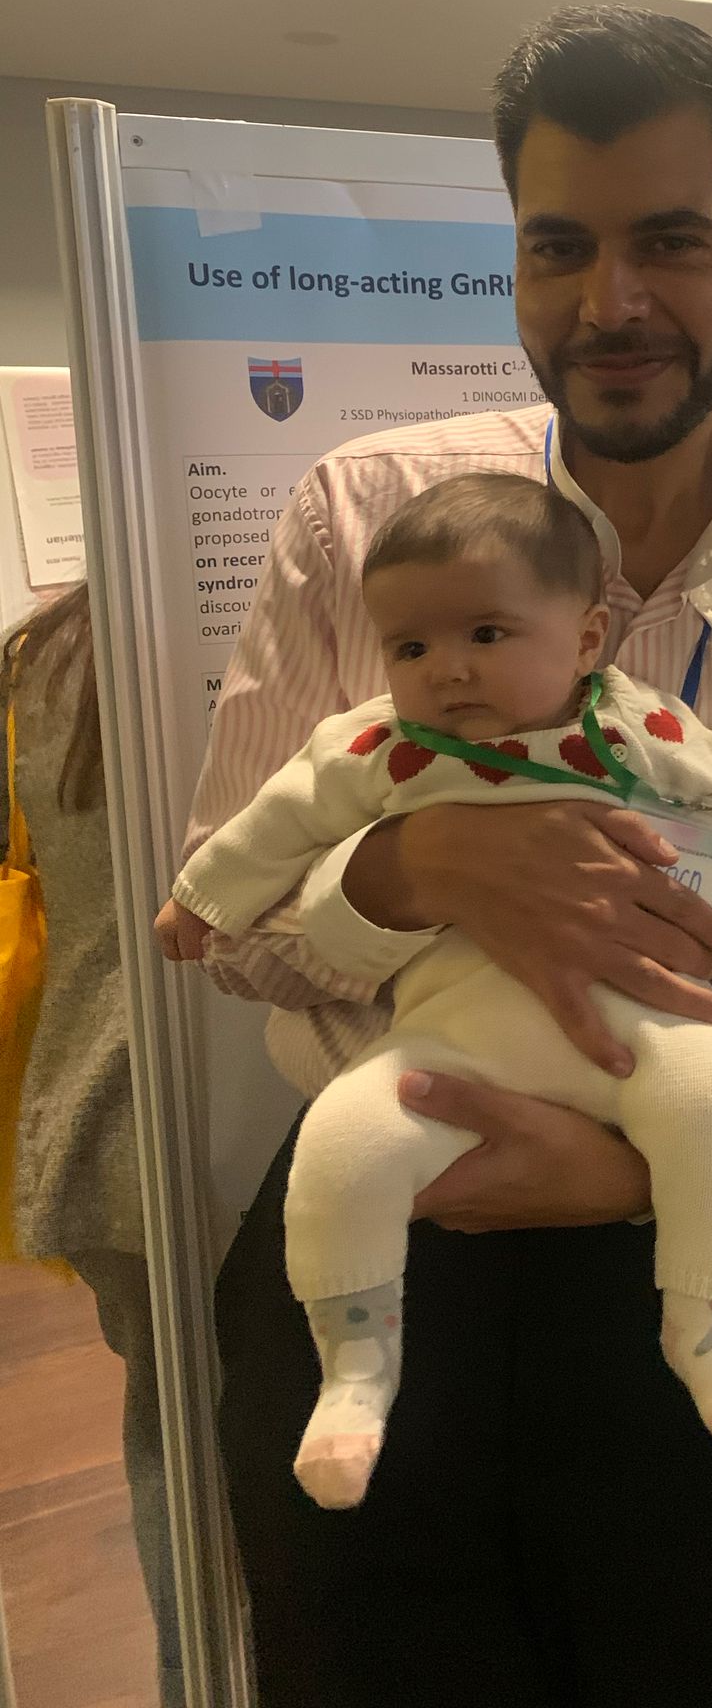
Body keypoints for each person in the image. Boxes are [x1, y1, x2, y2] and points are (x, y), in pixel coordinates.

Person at [179, 4, 712, 1706]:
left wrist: (646, 1166)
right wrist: (415, 874)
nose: (612, 302)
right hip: (395, 1231)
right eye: (560, 246)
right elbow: (228, 914)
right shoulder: (362, 515)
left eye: (671, 240)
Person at [160, 470, 712, 1504]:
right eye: (410, 647)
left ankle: (707, 1334)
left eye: (487, 634)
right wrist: (204, 900)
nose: (448, 669)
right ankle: (356, 1373)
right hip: (448, 1041)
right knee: (342, 1143)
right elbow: (277, 821)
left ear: (587, 638)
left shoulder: (647, 732)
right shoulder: (381, 746)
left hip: (646, 1022)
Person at [3, 584, 184, 1707]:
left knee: (169, 1431)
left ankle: (189, 1676)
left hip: (91, 1118)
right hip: (224, 1116)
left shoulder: (38, 654)